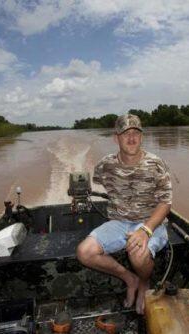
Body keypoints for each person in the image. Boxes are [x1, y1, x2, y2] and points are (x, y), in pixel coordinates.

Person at [76, 114, 172, 314]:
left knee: (138, 252)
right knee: (84, 252)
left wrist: (146, 230)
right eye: (125, 133)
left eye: (136, 133)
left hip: (151, 223)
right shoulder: (105, 165)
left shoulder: (156, 164)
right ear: (116, 138)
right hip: (118, 222)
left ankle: (144, 283)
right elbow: (101, 183)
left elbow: (165, 203)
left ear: (141, 136)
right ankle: (130, 279)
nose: (131, 138)